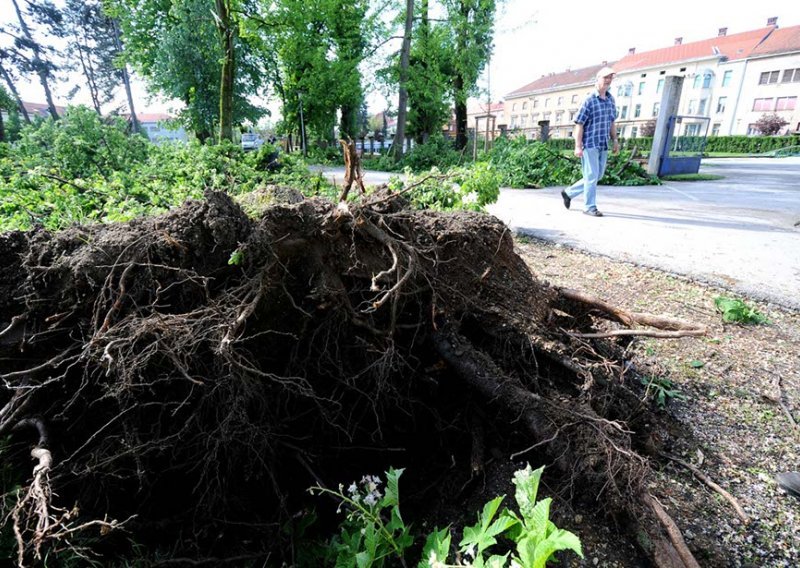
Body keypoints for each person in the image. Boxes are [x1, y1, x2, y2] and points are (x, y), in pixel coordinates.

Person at [561, 66, 620, 217]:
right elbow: (579, 124)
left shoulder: (610, 100)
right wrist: (577, 146)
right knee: (592, 176)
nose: (608, 80)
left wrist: (615, 140)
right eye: (605, 77)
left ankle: (568, 193)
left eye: (610, 78)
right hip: (589, 143)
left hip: (603, 144)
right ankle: (589, 207)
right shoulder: (589, 100)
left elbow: (612, 122)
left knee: (596, 176)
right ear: (597, 80)